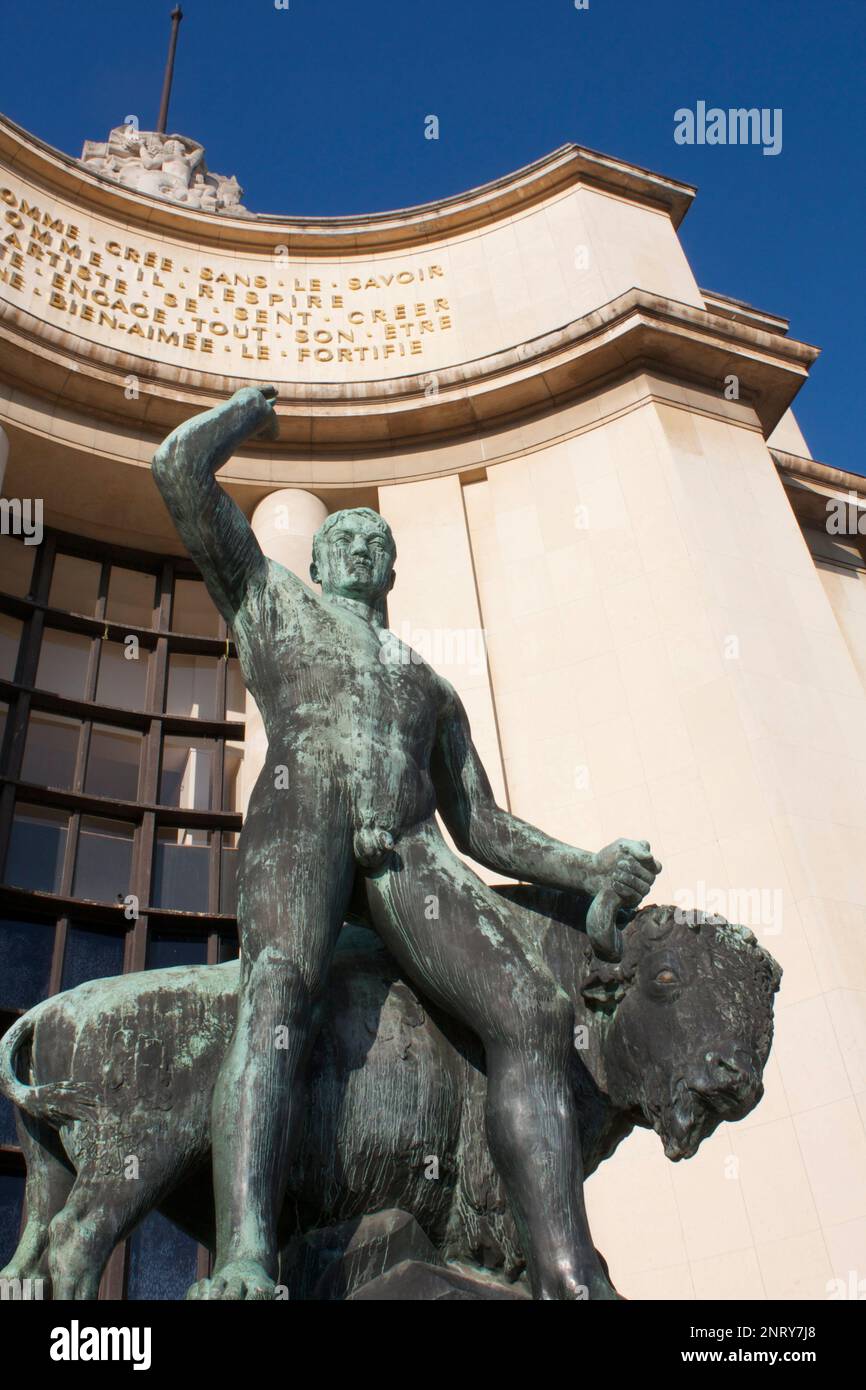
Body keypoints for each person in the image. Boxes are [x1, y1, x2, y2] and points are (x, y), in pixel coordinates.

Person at [151, 385, 661, 1300]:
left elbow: (486, 826)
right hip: (303, 819)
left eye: (373, 544)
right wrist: (244, 415)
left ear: (389, 573)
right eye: (341, 540)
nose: (356, 548)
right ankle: (245, 1256)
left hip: (413, 854)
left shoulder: (429, 686)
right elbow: (177, 471)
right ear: (316, 561)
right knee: (275, 1001)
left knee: (532, 1014)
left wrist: (589, 867)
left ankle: (561, 1271)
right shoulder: (274, 603)